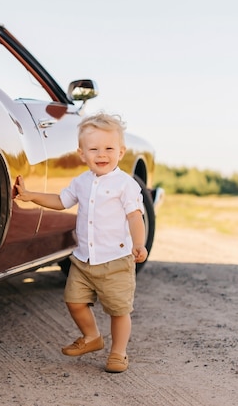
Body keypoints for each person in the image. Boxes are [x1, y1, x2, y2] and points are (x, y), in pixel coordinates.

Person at [14, 112, 147, 373]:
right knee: (74, 301)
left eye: (109, 148)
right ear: (82, 154)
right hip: (84, 259)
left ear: (121, 152)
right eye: (94, 148)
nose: (101, 154)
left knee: (118, 310)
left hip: (115, 261)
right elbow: (61, 202)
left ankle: (118, 353)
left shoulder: (125, 185)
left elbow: (135, 216)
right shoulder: (81, 182)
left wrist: (139, 244)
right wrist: (30, 196)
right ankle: (92, 337)